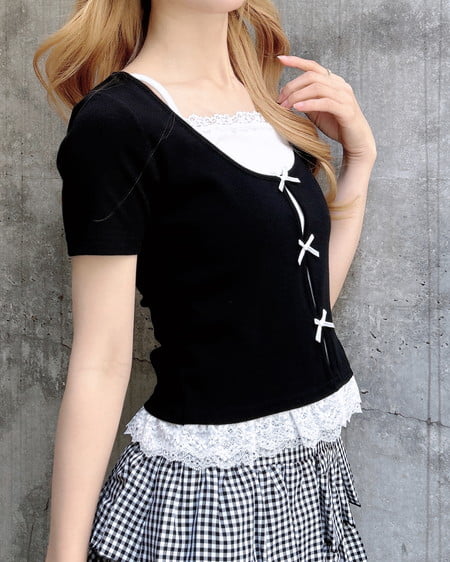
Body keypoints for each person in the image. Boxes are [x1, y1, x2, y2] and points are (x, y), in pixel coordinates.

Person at [33, 1, 377, 560]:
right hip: (207, 498)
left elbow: (300, 312)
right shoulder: (117, 122)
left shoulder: (269, 103)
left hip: (310, 483)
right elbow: (101, 360)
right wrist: (63, 555)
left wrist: (359, 159)